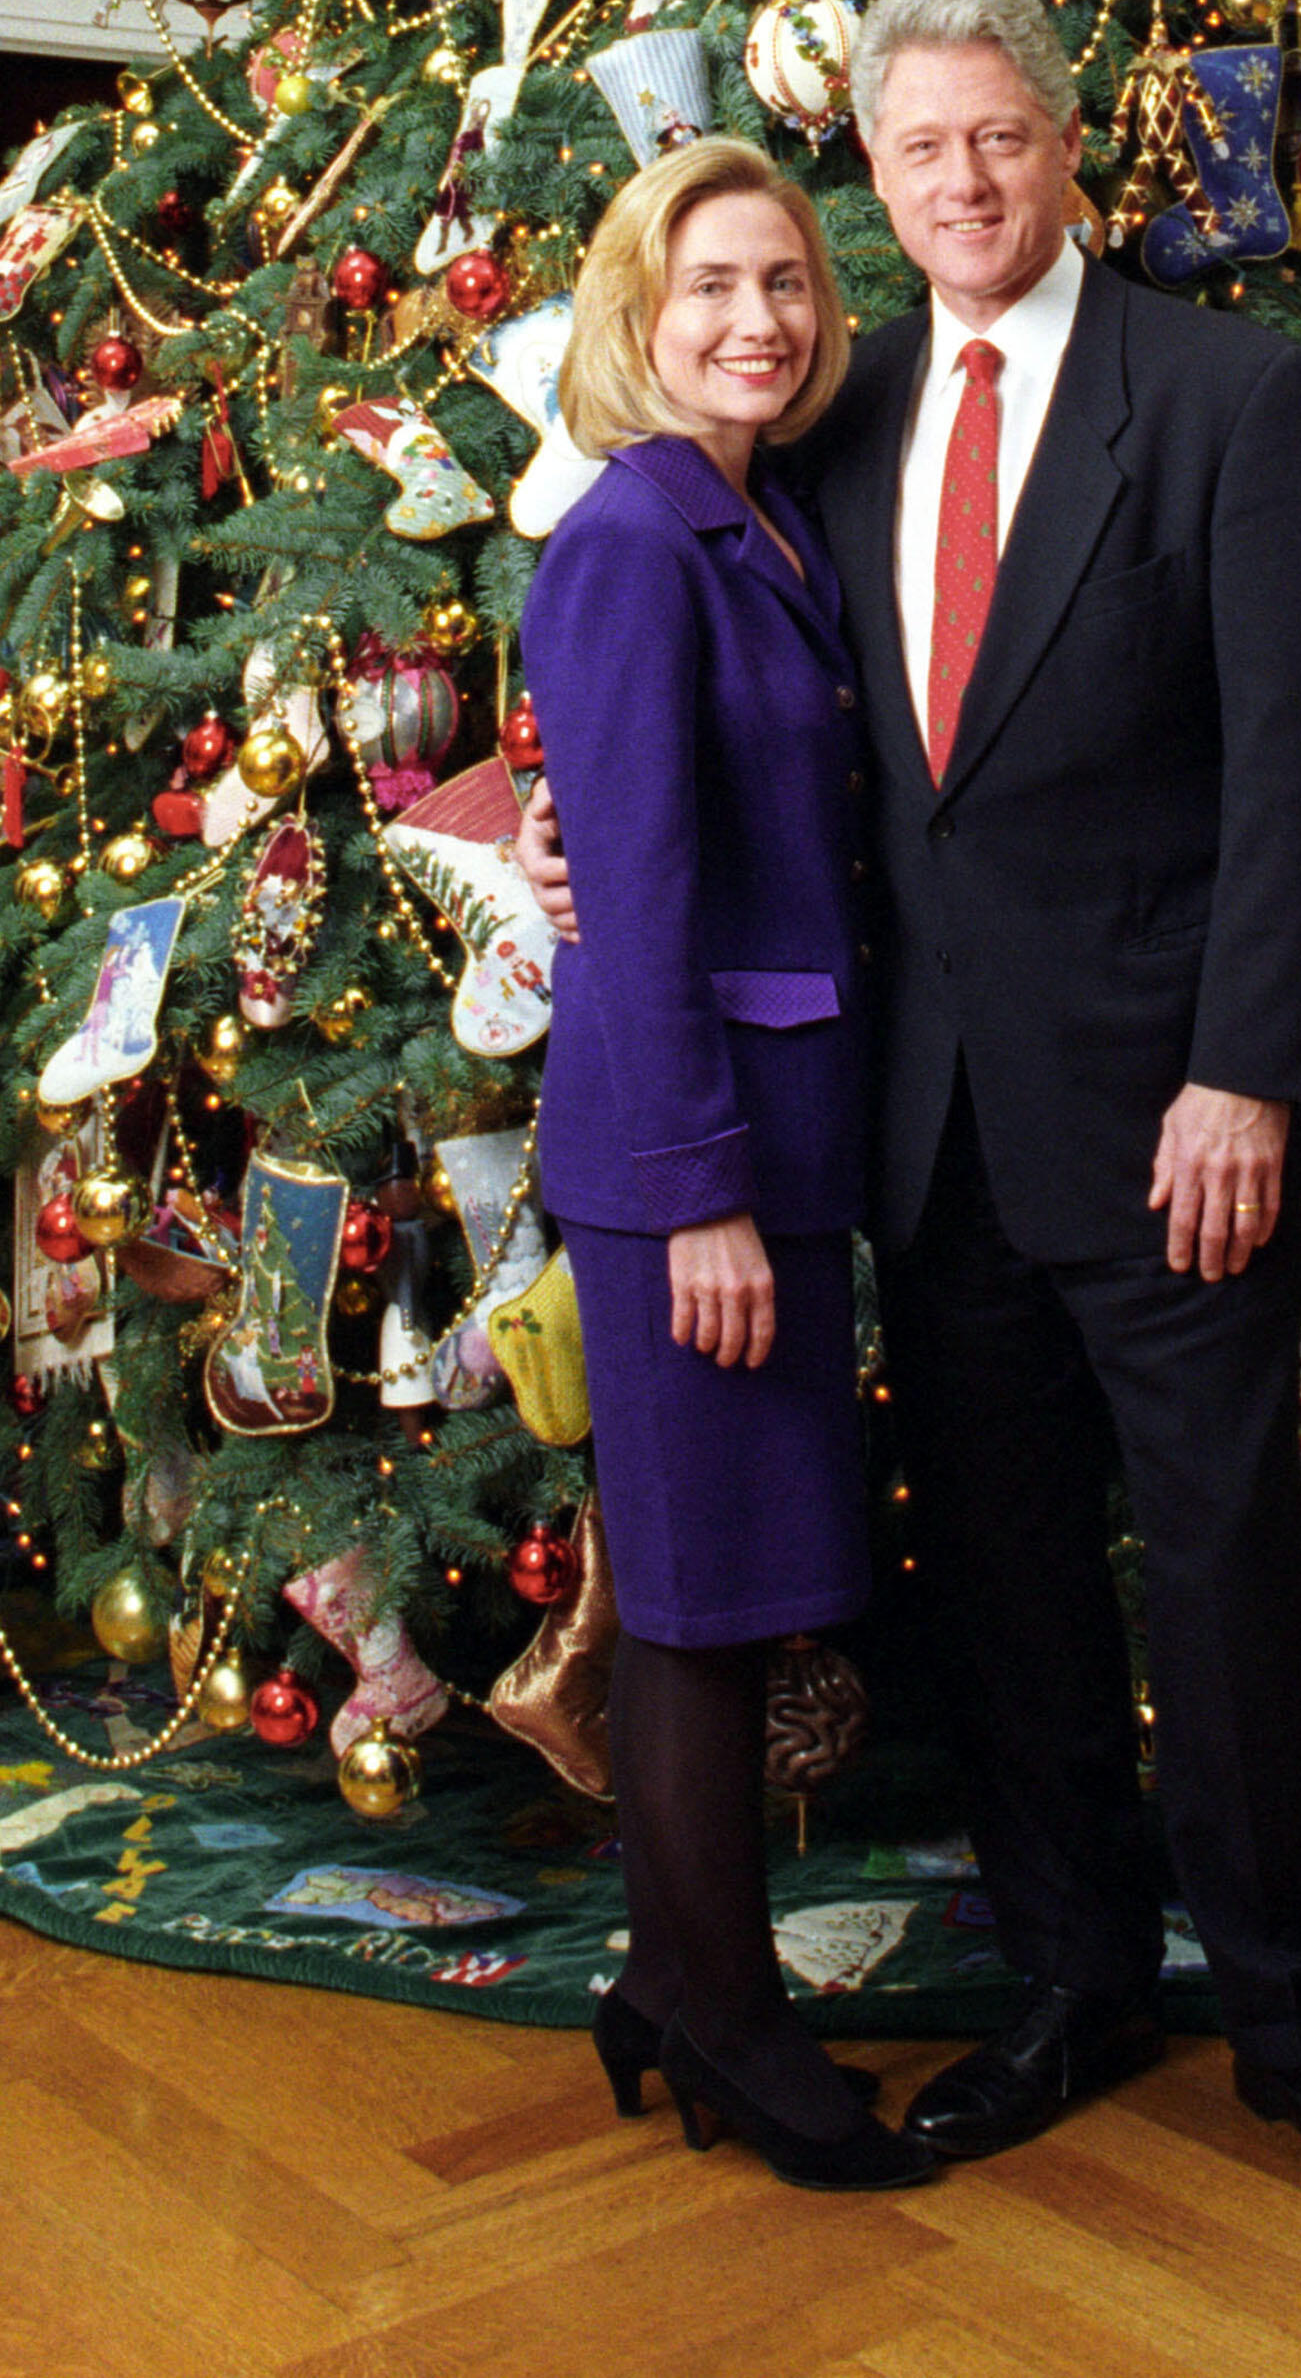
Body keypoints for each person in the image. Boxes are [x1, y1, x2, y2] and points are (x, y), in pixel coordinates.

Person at [527, 0, 1301, 2219]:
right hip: (913, 1139)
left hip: (1166, 1127)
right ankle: (1069, 1984)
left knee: (1225, 1578)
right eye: (917, 150)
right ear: (878, 174)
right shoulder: (815, 435)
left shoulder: (1230, 397)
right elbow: (722, 751)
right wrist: (546, 828)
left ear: (1064, 148)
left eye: (997, 141)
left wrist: (1247, 1073)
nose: (961, 182)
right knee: (1013, 1591)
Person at [517, 135, 933, 2193]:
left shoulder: (760, 527)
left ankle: (673, 1979)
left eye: (782, 283)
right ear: (635, 316)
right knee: (691, 1602)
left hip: (785, 1143)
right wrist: (693, 1194)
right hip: (687, 1161)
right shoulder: (628, 540)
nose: (753, 320)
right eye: (709, 289)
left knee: (733, 1588)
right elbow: (647, 893)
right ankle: (714, 2006)